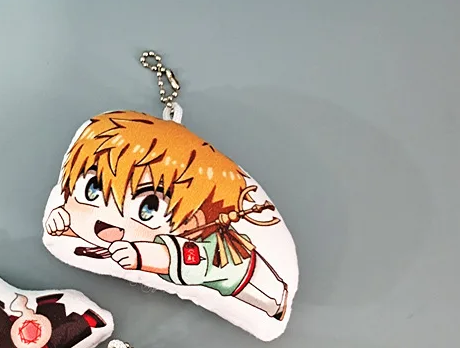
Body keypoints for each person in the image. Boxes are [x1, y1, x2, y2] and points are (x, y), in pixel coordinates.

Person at [45, 110, 288, 319]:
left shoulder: (198, 250)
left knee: (271, 300)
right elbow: (87, 223)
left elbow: (175, 258)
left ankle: (277, 304)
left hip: (243, 275)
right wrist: (64, 222)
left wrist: (140, 256)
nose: (108, 220)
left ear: (192, 221)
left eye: (148, 208)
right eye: (93, 189)